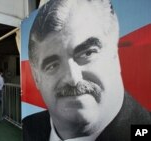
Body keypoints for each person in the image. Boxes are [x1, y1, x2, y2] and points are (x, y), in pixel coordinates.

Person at [23, 0, 151, 141]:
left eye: (87, 53)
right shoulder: (29, 127)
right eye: (52, 65)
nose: (73, 78)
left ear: (115, 55)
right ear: (36, 78)